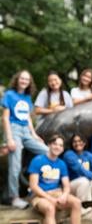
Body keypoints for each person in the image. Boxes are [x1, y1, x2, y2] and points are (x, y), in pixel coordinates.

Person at [28, 134, 91, 224]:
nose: (58, 147)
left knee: (76, 202)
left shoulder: (61, 163)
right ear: (49, 145)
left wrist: (64, 195)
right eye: (55, 144)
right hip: (40, 195)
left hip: (57, 192)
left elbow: (66, 185)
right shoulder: (38, 160)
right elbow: (33, 186)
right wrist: (49, 198)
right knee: (50, 208)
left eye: (61, 145)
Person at [1, 70, 49, 209]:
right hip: (14, 129)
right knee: (15, 165)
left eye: (26, 79)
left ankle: (40, 187)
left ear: (29, 82)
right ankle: (14, 197)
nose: (24, 81)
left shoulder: (27, 97)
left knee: (47, 152)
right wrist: (9, 139)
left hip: (26, 131)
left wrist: (33, 134)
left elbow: (27, 117)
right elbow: (5, 117)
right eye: (22, 78)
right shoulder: (9, 95)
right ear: (17, 79)